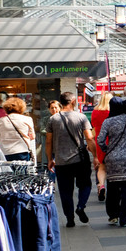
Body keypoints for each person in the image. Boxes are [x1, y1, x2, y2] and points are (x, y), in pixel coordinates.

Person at [46, 92, 97, 228]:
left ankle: (70, 218)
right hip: (80, 159)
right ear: (73, 101)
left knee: (65, 191)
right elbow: (89, 138)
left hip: (61, 161)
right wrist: (96, 157)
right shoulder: (81, 117)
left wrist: (50, 159)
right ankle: (80, 206)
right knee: (85, 185)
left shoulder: (53, 119)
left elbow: (48, 141)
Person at [94, 95, 126, 227]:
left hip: (113, 159)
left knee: (113, 188)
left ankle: (113, 215)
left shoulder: (108, 121)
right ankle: (124, 217)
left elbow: (100, 140)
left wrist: (107, 149)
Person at [0, 97, 35, 163]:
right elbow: (32, 137)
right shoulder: (27, 119)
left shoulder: (2, 120)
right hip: (21, 151)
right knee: (21, 172)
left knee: (8, 172)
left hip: (5, 152)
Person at [90, 91, 113, 202]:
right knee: (113, 168)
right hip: (113, 141)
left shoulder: (95, 112)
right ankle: (114, 188)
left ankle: (102, 185)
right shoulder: (112, 111)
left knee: (102, 166)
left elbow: (93, 126)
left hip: (100, 141)